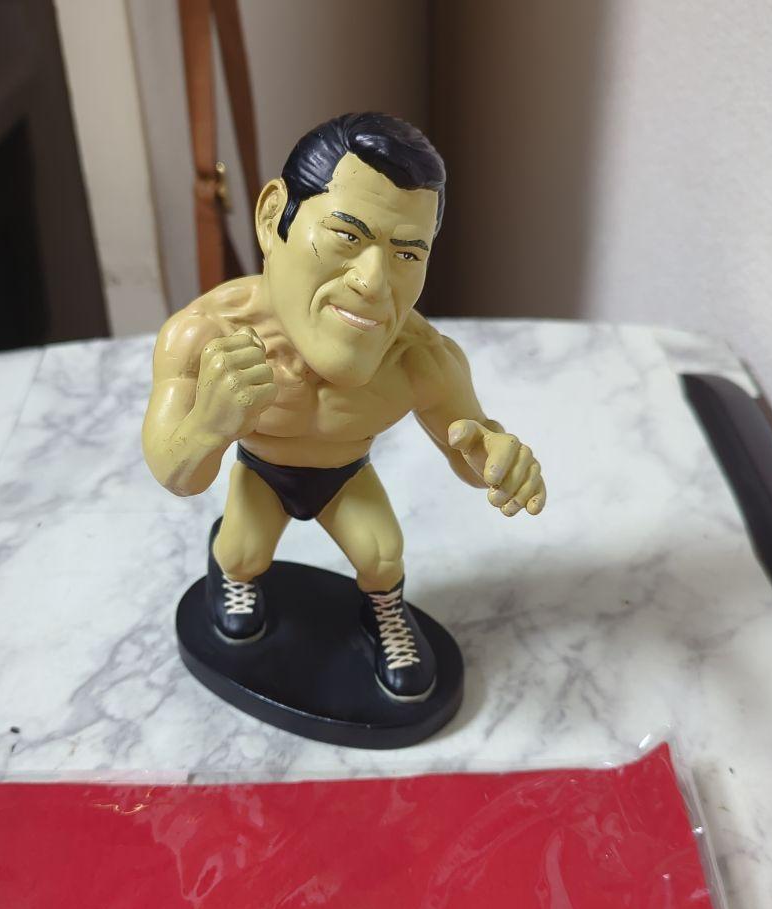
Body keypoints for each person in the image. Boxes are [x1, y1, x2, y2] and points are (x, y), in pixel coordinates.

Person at [143, 113, 545, 704]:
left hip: (344, 473)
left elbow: (469, 443)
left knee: (382, 555)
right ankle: (230, 571)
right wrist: (209, 423)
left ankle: (383, 614)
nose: (374, 282)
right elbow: (175, 473)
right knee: (243, 553)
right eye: (347, 237)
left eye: (407, 253)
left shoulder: (420, 358)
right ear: (272, 217)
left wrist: (500, 460)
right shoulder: (206, 335)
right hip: (263, 469)